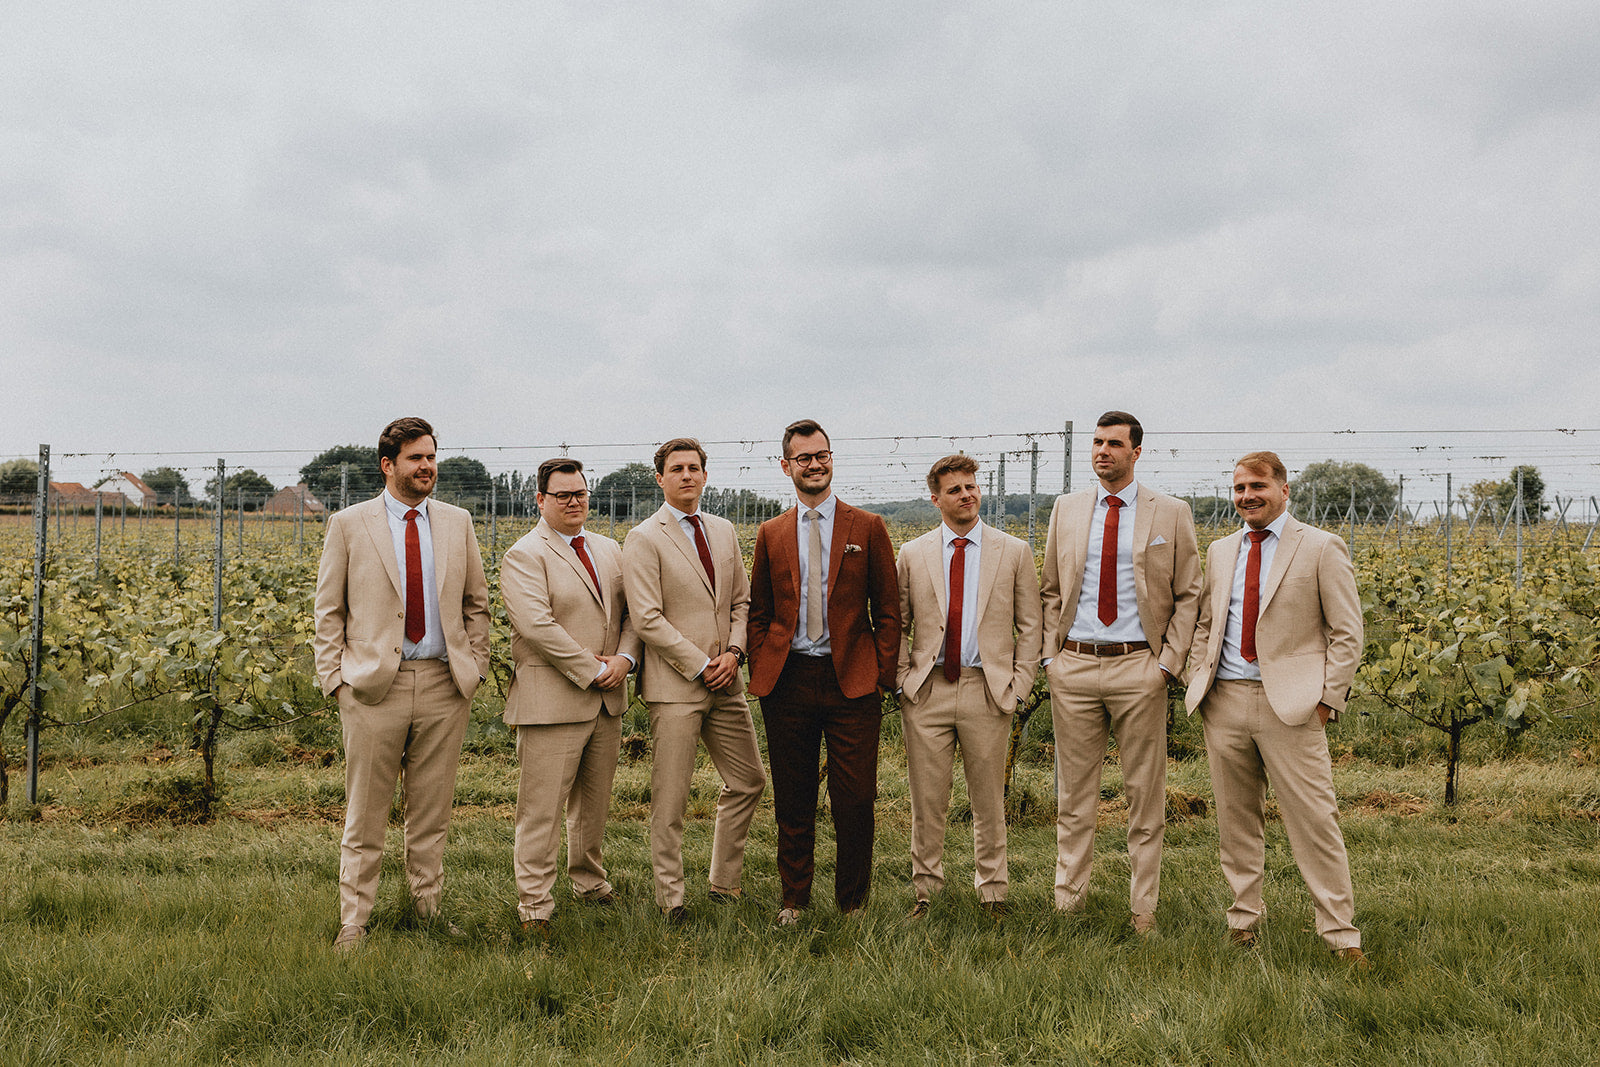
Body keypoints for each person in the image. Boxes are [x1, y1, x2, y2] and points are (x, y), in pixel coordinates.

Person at [313, 417, 491, 952]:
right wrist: (336, 682)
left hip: (443, 685)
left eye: (431, 457)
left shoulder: (458, 522)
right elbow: (329, 610)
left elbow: (476, 604)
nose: (427, 467)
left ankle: (427, 909)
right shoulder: (349, 524)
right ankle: (354, 921)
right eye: (416, 458)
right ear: (388, 465)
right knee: (365, 813)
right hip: (372, 689)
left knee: (431, 811)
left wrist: (476, 666)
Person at [1185, 451, 1368, 967]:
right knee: (1235, 821)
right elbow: (1207, 622)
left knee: (1315, 822)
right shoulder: (1221, 550)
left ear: (1284, 490)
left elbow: (1347, 633)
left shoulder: (1321, 547)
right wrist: (1199, 677)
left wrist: (1327, 701)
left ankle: (1341, 936)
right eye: (1240, 488)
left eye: (1258, 486)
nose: (1248, 496)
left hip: (1292, 708)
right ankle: (1243, 921)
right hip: (1224, 702)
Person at [1040, 411, 1200, 934]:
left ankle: (1143, 909)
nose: (1102, 451)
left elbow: (1188, 594)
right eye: (1096, 442)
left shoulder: (1171, 513)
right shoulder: (1066, 509)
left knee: (1144, 796)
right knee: (1073, 798)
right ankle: (1069, 903)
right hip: (1075, 667)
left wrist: (1167, 664)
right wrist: (1051, 658)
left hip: (1140, 668)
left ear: (1136, 452)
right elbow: (1050, 589)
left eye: (1113, 443)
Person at [748, 419, 901, 925]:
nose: (814, 465)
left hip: (851, 682)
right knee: (793, 798)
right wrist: (764, 664)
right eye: (804, 458)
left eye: (822, 456)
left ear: (831, 459)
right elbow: (759, 611)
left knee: (855, 799)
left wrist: (880, 675)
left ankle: (852, 903)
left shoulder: (868, 527)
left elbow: (888, 611)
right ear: (786, 466)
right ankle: (794, 900)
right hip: (788, 681)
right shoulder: (771, 532)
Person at [621, 438, 766, 924]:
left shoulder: (723, 531)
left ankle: (725, 883)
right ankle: (671, 899)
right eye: (676, 468)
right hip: (676, 686)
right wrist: (702, 664)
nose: (686, 475)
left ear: (705, 475)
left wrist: (735, 653)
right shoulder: (644, 537)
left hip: (727, 680)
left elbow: (742, 602)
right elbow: (647, 618)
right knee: (671, 798)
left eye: (694, 468)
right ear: (659, 478)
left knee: (748, 780)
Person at [895, 454, 1041, 917]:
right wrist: (901, 680)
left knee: (988, 800)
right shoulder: (913, 554)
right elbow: (898, 623)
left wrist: (1020, 685)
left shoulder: (1013, 551)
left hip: (987, 689)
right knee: (927, 800)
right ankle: (926, 893)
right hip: (928, 689)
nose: (966, 495)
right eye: (955, 489)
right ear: (936, 499)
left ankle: (993, 892)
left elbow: (1031, 625)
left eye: (971, 486)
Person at [500, 457, 640, 936]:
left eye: (580, 493)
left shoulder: (609, 549)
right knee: (541, 810)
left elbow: (632, 614)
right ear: (541, 500)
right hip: (552, 702)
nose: (574, 502)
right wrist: (593, 668)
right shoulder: (525, 555)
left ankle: (590, 882)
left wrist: (625, 660)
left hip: (607, 698)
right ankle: (535, 906)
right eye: (563, 495)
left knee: (593, 805)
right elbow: (537, 626)